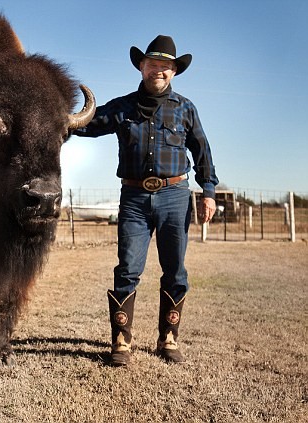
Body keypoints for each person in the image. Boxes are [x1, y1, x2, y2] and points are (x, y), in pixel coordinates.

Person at [73, 35, 218, 366]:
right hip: (134, 199)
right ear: (141, 66)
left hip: (175, 197)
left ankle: (168, 339)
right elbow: (87, 124)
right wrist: (54, 120)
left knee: (175, 270)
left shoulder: (186, 108)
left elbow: (202, 152)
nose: (159, 70)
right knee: (128, 268)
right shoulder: (123, 107)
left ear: (174, 71)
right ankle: (121, 342)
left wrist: (208, 191)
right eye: (153, 64)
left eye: (166, 66)